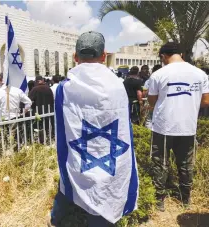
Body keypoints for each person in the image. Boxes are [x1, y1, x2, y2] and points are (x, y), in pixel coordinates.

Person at [49, 31, 138, 227]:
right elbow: (123, 126)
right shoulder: (117, 86)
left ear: (75, 57)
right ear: (104, 56)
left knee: (67, 186)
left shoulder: (64, 88)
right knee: (103, 199)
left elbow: (65, 127)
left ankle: (56, 220)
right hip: (110, 158)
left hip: (80, 156)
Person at [147, 42, 209, 211]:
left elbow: (152, 101)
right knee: (186, 163)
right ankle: (185, 199)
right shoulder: (200, 74)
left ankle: (160, 200)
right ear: (181, 54)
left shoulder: (158, 74)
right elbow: (206, 101)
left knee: (160, 163)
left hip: (163, 127)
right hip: (188, 126)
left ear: (163, 56)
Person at [29, 76, 54, 144]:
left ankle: (41, 141)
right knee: (47, 127)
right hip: (48, 111)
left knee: (38, 128)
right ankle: (49, 139)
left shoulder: (35, 89)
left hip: (38, 112)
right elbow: (52, 100)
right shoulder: (48, 88)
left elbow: (29, 101)